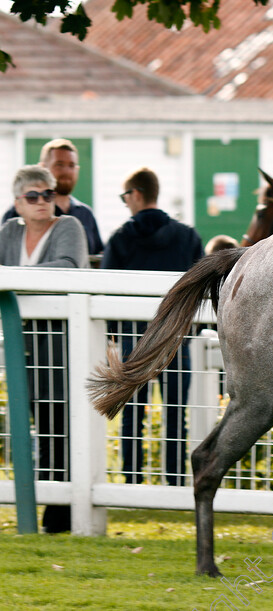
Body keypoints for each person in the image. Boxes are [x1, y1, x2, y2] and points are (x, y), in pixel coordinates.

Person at [0, 165, 89, 533]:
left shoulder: (68, 227)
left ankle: (59, 517)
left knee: (58, 426)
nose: (42, 202)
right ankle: (40, 511)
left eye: (48, 194)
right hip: (19, 343)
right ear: (18, 202)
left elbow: (66, 268)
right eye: (33, 196)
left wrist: (13, 281)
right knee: (28, 423)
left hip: (61, 345)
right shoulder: (8, 231)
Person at [102, 167, 203, 486]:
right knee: (176, 415)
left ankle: (132, 480)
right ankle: (173, 481)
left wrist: (111, 337)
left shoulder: (120, 239)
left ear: (135, 195)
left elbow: (106, 290)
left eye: (124, 197)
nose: (125, 202)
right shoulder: (187, 237)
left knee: (133, 415)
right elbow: (200, 289)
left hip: (135, 340)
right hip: (174, 340)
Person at [3, 139, 103, 258]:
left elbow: (97, 256)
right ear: (43, 167)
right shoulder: (15, 215)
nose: (66, 171)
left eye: (71, 165)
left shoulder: (86, 213)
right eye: (59, 165)